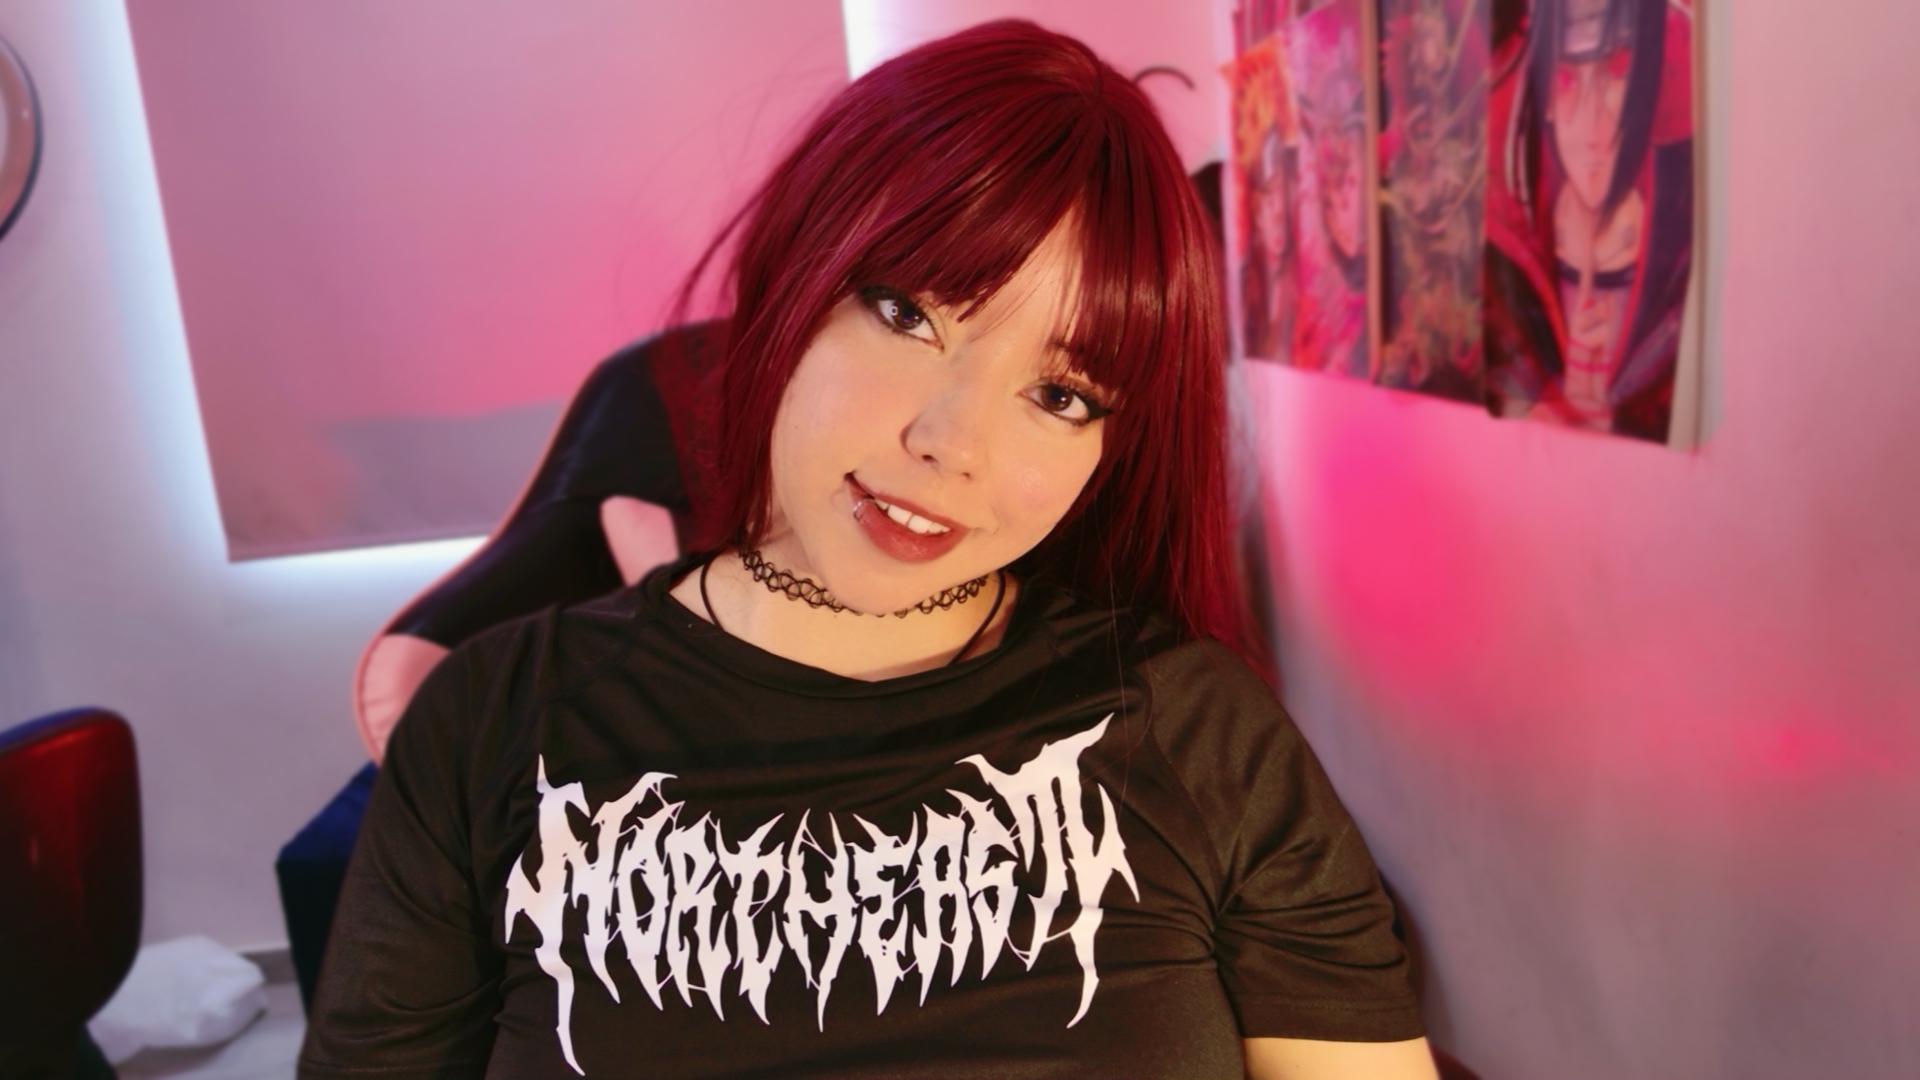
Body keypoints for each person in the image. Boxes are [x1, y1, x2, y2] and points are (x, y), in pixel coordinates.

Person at [298, 20, 1438, 1080]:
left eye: (1061, 394)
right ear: (793, 278)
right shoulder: (494, 723)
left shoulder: (1198, 733)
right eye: (908, 317)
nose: (951, 445)